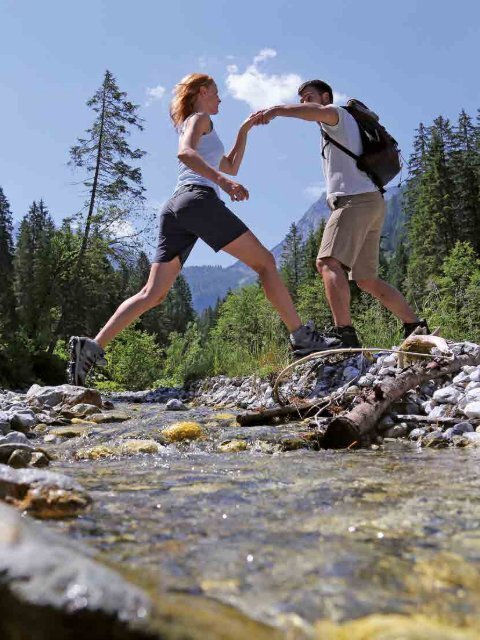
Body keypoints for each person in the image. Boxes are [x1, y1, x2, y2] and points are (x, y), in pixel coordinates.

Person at [68, 73, 337, 386]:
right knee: (266, 263)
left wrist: (244, 130)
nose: (221, 99)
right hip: (197, 200)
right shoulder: (199, 118)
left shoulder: (203, 125)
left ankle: (91, 347)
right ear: (203, 91)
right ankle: (301, 337)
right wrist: (222, 182)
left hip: (175, 207)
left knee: (152, 293)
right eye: (217, 93)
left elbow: (231, 165)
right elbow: (186, 153)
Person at [252, 79, 428, 348]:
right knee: (366, 279)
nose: (303, 103)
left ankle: (344, 334)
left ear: (324, 97)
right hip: (371, 201)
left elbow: (315, 113)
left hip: (354, 201)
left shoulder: (335, 113)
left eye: (308, 97)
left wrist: (276, 110)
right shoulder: (337, 128)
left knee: (327, 263)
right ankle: (414, 326)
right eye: (300, 99)